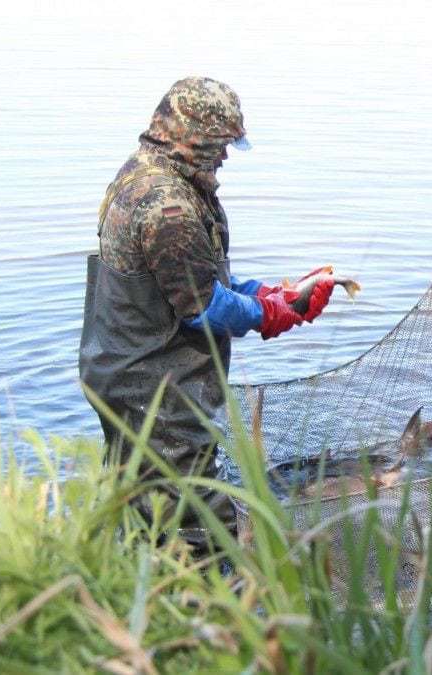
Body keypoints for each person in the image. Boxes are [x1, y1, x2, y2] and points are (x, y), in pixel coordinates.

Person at [79, 76, 334, 550]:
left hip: (125, 372)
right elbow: (204, 308)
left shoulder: (150, 175)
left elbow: (192, 280)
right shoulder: (165, 205)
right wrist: (269, 314)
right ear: (192, 136)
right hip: (153, 390)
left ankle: (127, 591)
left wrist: (273, 293)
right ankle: (190, 608)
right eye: (220, 144)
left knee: (138, 503)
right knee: (193, 523)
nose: (224, 156)